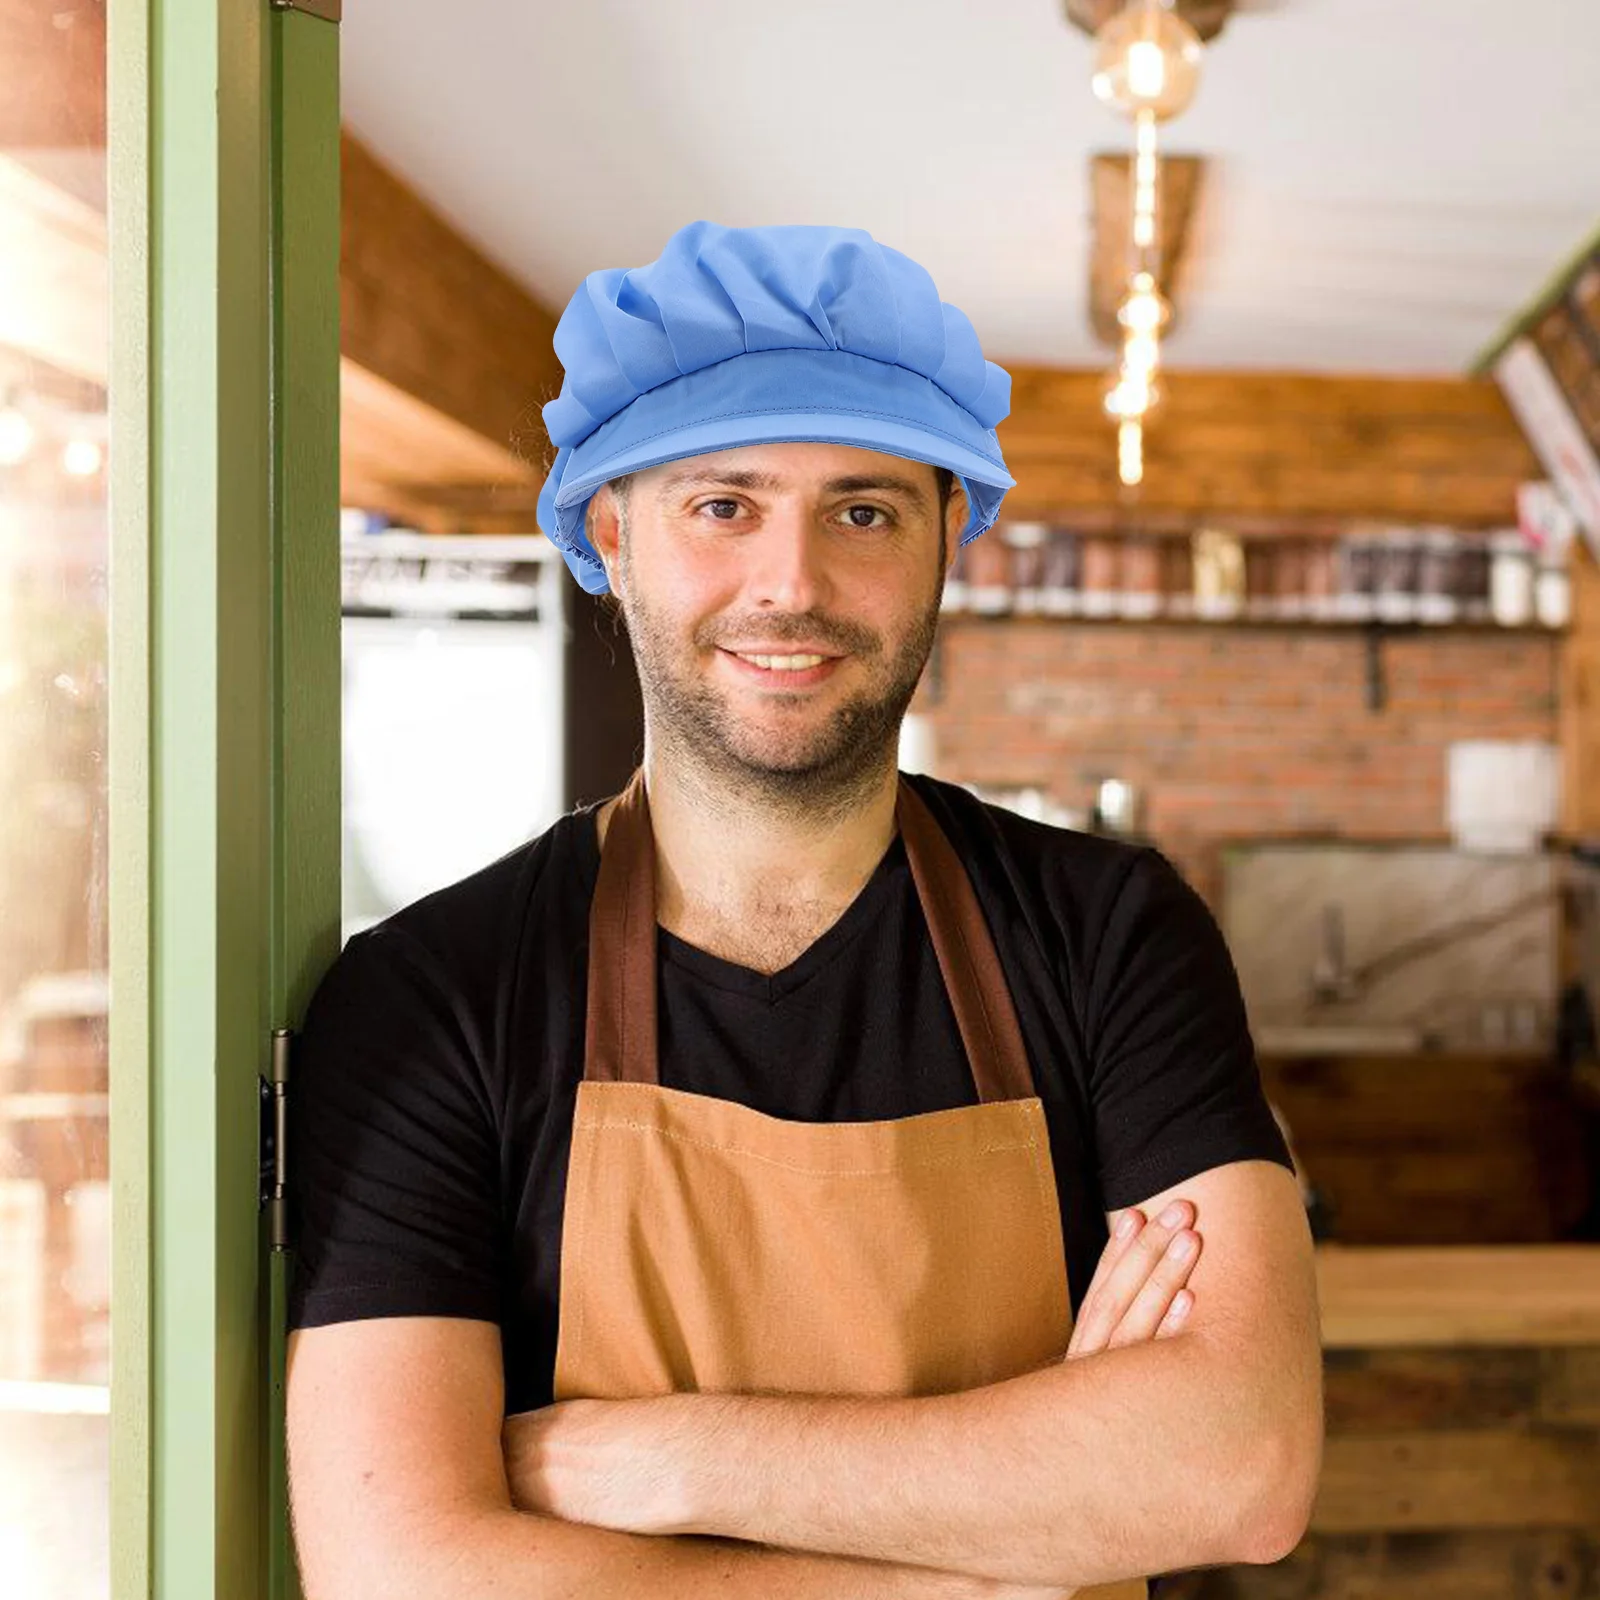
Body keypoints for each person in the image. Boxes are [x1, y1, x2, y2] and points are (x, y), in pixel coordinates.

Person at [285, 221, 1323, 1600]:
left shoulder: (1107, 936)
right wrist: (1006, 1556)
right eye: (725, 505)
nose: (793, 584)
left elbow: (1237, 1470)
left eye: (865, 510)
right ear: (614, 531)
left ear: (950, 532)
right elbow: (402, 1572)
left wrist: (676, 1465)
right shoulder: (434, 996)